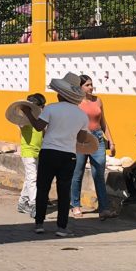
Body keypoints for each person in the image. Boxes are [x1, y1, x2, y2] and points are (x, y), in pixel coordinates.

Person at [22, 72, 91, 237]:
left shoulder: (52, 108)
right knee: (64, 190)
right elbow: (81, 139)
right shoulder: (82, 115)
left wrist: (29, 113)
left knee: (43, 188)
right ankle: (62, 227)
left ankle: (39, 223)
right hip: (68, 156)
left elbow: (39, 127)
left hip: (48, 153)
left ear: (60, 94)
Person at [70, 74, 117, 220]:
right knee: (78, 173)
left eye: (91, 84)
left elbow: (103, 122)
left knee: (99, 174)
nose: (91, 87)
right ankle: (75, 205)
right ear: (80, 87)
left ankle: (104, 208)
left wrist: (111, 141)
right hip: (81, 139)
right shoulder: (75, 102)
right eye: (87, 85)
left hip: (97, 139)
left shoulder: (98, 100)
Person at [17, 93, 45, 216]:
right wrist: (26, 111)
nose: (43, 108)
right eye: (41, 106)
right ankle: (34, 204)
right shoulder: (24, 118)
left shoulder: (41, 119)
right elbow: (21, 124)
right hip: (28, 151)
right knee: (33, 178)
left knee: (30, 178)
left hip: (38, 151)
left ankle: (22, 202)